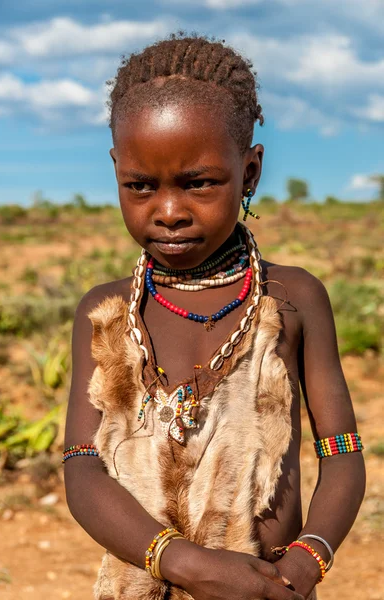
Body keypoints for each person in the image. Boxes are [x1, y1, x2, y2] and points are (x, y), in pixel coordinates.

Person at [63, 34, 366, 600]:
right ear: (116, 172)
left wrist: (306, 562)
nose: (170, 211)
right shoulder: (105, 316)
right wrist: (185, 564)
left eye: (199, 183)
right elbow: (82, 470)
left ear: (249, 173)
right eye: (140, 186)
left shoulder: (292, 298)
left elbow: (342, 453)